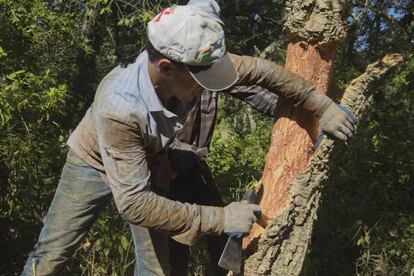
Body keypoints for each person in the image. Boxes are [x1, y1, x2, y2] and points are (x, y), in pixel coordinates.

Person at [22, 3, 355, 276]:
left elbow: (262, 72)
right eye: (201, 80)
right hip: (91, 161)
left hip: (150, 161)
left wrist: (320, 105)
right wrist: (222, 218)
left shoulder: (196, 62)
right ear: (166, 67)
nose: (210, 86)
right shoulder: (119, 107)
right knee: (50, 257)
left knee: (157, 270)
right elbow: (134, 205)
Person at [163, 1, 357, 275]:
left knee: (225, 238)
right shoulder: (166, 67)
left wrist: (316, 111)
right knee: (169, 254)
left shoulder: (212, 66)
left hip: (193, 166)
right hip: (162, 170)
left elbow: (260, 94)